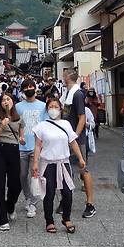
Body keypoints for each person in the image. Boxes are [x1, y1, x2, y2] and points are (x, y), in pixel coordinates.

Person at [32, 97, 85, 234]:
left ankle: (66, 218)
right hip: (47, 164)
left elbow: (73, 142)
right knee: (48, 193)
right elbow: (38, 146)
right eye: (50, 107)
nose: (53, 109)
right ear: (47, 109)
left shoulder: (66, 124)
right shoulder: (41, 126)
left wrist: (80, 158)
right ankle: (49, 221)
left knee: (67, 192)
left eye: (56, 107)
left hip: (64, 163)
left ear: (61, 109)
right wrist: (36, 163)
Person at [62, 69, 96, 218]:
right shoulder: (69, 93)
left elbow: (82, 117)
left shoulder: (77, 94)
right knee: (66, 170)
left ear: (68, 77)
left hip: (77, 139)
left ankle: (90, 204)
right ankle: (65, 201)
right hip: (68, 138)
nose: (63, 79)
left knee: (83, 170)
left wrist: (74, 135)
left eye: (64, 76)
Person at [0, 93, 24, 231]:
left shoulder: (19, 118)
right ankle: (1, 219)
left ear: (12, 102)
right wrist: (2, 126)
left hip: (14, 150)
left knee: (16, 183)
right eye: (3, 100)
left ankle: (9, 205)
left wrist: (22, 139)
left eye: (8, 99)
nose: (5, 102)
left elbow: (21, 136)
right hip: (0, 150)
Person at [16, 79, 47, 218]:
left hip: (37, 147)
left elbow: (46, 125)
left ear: (35, 88)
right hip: (22, 147)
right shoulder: (17, 107)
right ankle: (28, 197)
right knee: (22, 176)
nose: (29, 88)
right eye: (26, 87)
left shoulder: (43, 106)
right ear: (22, 90)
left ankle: (33, 203)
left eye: (31, 86)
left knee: (35, 175)